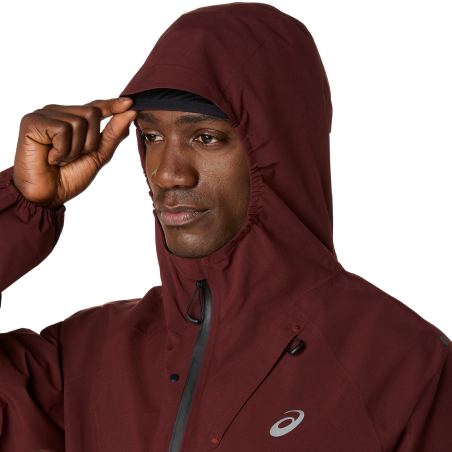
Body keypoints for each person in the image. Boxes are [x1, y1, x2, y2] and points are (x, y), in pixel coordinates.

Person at [0, 2, 450, 451]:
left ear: (276, 149)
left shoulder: (404, 364)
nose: (167, 173)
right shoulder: (87, 357)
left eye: (205, 137)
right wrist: (22, 205)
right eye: (152, 137)